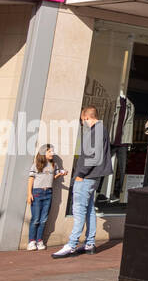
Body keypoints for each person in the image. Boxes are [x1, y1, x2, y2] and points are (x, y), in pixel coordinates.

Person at [53, 107, 113, 258]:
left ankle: (71, 245)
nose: (82, 124)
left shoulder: (96, 131)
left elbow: (92, 155)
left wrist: (80, 173)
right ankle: (89, 243)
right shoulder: (102, 130)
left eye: (82, 121)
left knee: (79, 210)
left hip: (86, 177)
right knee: (89, 209)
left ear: (86, 118)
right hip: (93, 176)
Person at [25, 144, 66, 251]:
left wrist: (61, 174)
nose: (52, 153)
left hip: (48, 193)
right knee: (36, 219)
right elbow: (31, 179)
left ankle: (39, 241)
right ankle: (31, 241)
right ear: (43, 153)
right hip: (37, 193)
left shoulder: (54, 165)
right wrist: (29, 194)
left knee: (44, 219)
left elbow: (53, 176)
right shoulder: (36, 165)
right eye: (49, 151)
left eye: (52, 151)